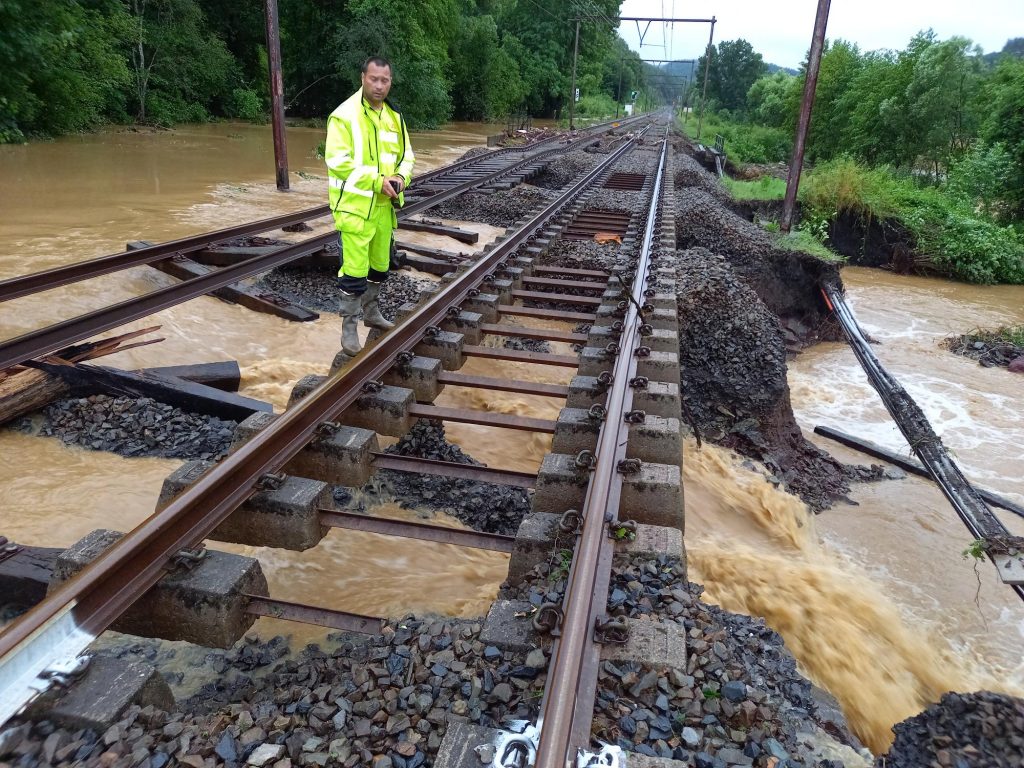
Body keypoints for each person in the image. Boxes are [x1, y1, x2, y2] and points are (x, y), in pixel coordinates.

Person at [324, 56, 415, 356]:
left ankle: (371, 312)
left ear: (391, 81)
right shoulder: (344, 116)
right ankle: (349, 327)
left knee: (380, 265)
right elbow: (337, 162)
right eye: (373, 78)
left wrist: (401, 177)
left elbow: (407, 157)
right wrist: (377, 181)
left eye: (384, 80)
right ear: (363, 77)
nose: (379, 85)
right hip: (354, 208)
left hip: (384, 208)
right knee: (353, 270)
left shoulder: (394, 117)